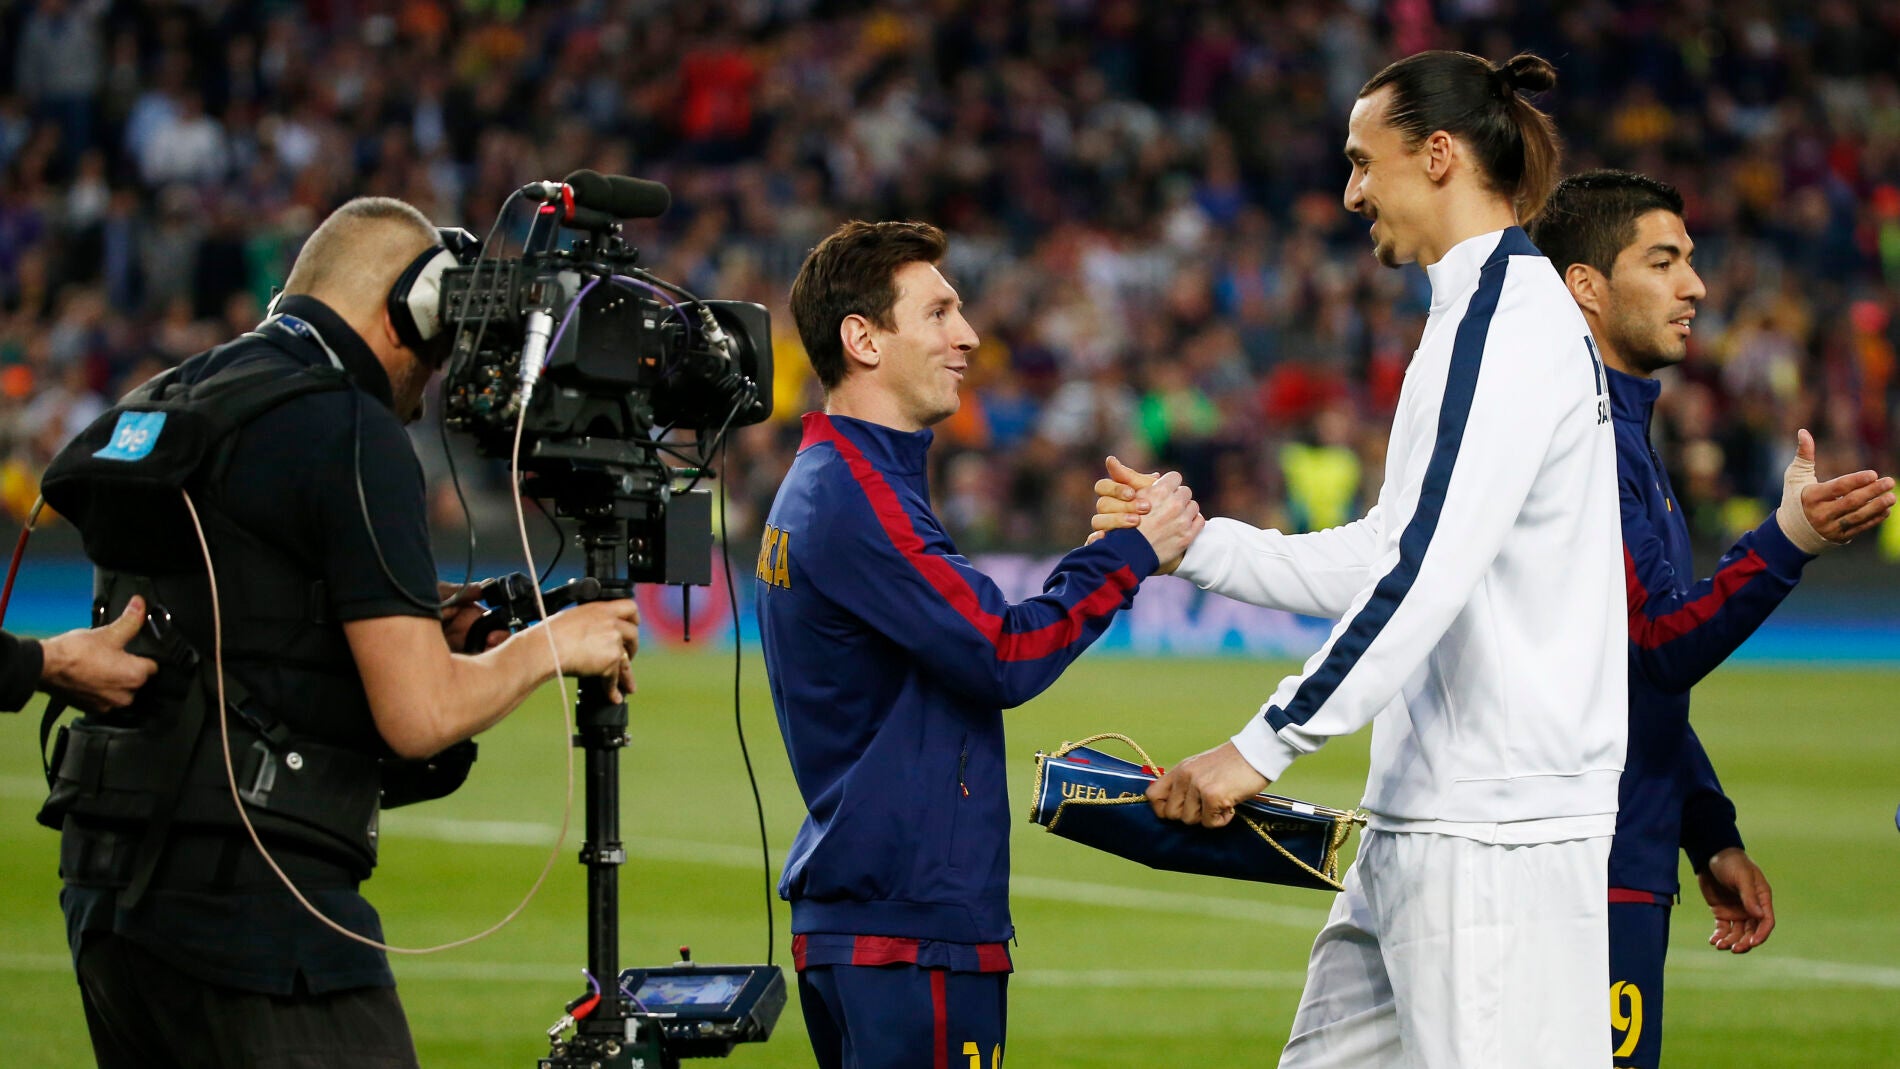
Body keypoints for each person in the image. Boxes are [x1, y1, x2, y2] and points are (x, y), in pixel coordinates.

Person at [1096, 51, 1623, 1067]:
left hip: (1490, 832)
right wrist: (1198, 544)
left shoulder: (1502, 325)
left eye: (1360, 161)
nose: (1350, 193)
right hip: (1435, 817)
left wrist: (1263, 744)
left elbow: (1421, 573)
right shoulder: (1480, 316)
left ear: (1438, 155)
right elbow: (1390, 551)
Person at [43, 196, 642, 1069]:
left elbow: (253, 614)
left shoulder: (175, 396)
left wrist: (415, 614)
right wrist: (560, 642)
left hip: (110, 901)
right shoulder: (349, 426)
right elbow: (419, 714)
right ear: (411, 309)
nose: (427, 388)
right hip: (255, 915)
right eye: (435, 349)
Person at [758, 219, 1202, 1069]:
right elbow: (1004, 651)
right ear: (863, 340)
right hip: (908, 929)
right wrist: (1131, 553)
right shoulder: (856, 494)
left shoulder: (838, 480)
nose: (966, 336)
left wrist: (1109, 553)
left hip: (874, 918)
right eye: (937, 313)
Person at [1527, 169, 1895, 1067]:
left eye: (1689, 260)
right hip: (1583, 869)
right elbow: (1657, 643)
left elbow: (1616, 675)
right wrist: (1788, 540)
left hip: (1620, 853)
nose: (1694, 285)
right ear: (1586, 286)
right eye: (1663, 262)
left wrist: (1706, 829)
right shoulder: (1579, 439)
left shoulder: (1624, 434)